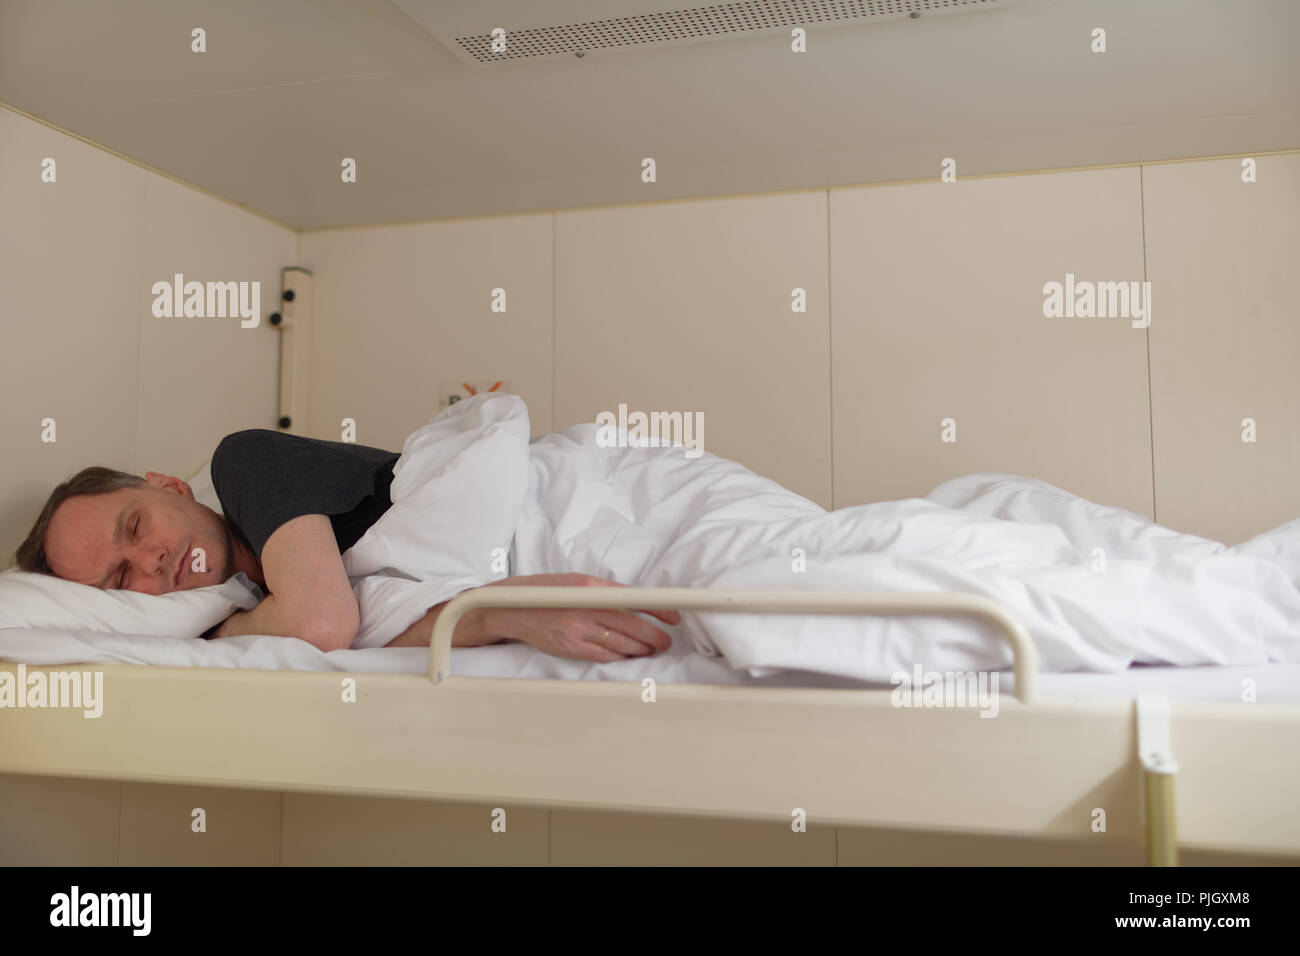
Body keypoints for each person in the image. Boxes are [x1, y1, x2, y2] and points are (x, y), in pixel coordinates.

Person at [12, 429, 679, 660]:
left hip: (582, 497)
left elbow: (324, 621)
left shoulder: (242, 463)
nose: (151, 561)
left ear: (168, 487)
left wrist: (224, 633)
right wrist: (502, 611)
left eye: (135, 527)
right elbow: (368, 619)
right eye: (122, 582)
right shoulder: (253, 592)